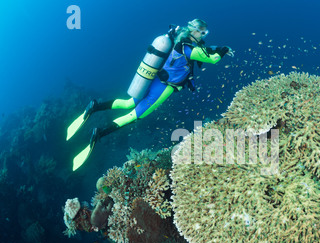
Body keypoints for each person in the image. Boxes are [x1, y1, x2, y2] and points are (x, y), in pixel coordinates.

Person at [68, 19, 234, 171]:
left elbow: (205, 49)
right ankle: (99, 134)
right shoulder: (189, 49)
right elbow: (212, 59)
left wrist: (216, 48)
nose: (204, 36)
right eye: (204, 33)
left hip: (153, 80)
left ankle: (95, 106)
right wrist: (224, 50)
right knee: (134, 115)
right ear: (195, 31)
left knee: (128, 103)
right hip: (164, 88)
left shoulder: (178, 38)